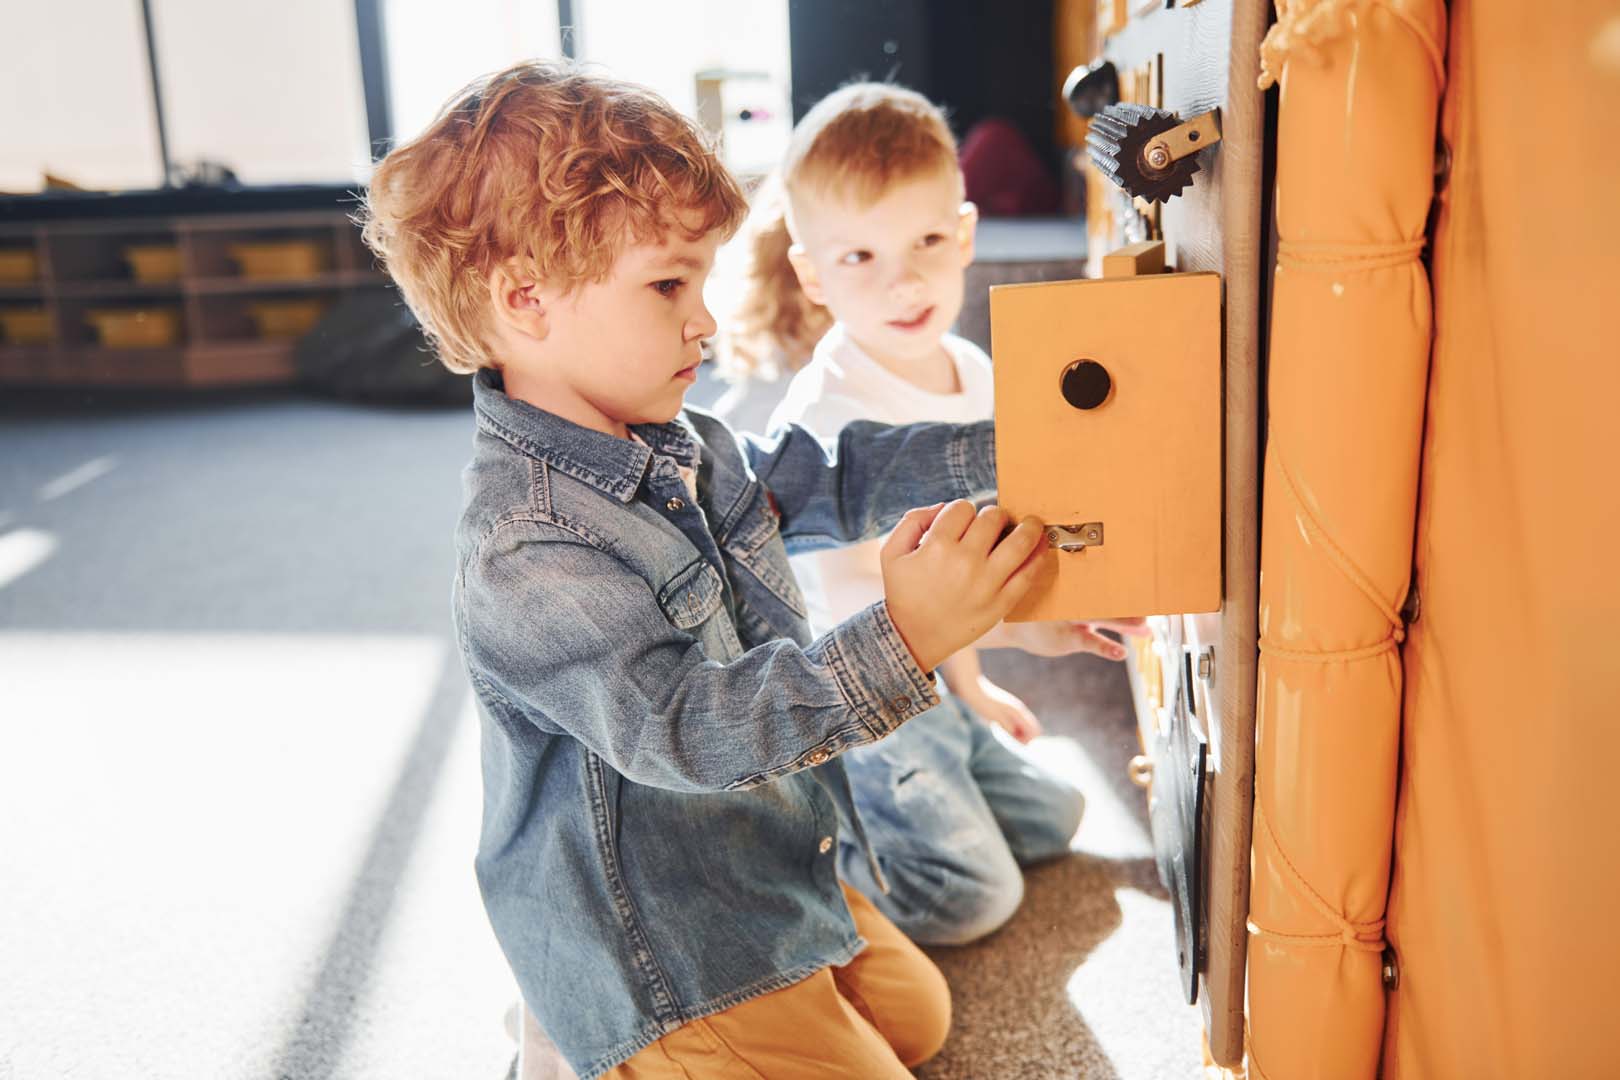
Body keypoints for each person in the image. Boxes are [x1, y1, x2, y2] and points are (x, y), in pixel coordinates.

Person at [359, 61, 1049, 1079]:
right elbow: (688, 731)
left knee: (920, 1022)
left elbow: (828, 476)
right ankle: (591, 1037)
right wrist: (904, 641)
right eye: (669, 284)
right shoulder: (527, 547)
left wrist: (1024, 446)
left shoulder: (686, 439)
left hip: (762, 865)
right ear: (525, 300)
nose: (706, 321)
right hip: (668, 948)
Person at [756, 82, 1142, 945]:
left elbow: (965, 549)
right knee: (971, 900)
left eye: (927, 239)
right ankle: (818, 859)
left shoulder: (972, 369)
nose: (904, 280)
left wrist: (972, 684)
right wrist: (987, 646)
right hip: (861, 707)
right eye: (859, 258)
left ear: (965, 235)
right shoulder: (824, 422)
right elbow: (865, 612)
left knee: (1059, 816)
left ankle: (936, 779)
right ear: (813, 276)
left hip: (933, 680)